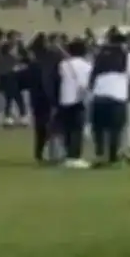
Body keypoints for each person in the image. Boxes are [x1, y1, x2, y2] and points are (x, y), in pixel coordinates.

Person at [88, 29, 130, 167]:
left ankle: (99, 155)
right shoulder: (128, 56)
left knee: (99, 128)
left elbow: (93, 73)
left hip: (99, 94)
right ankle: (113, 157)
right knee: (115, 128)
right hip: (117, 95)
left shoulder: (100, 55)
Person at [57, 38, 92, 169]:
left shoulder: (63, 64)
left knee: (67, 129)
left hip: (64, 98)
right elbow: (86, 83)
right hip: (78, 99)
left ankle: (68, 156)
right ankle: (75, 157)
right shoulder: (86, 65)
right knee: (77, 129)